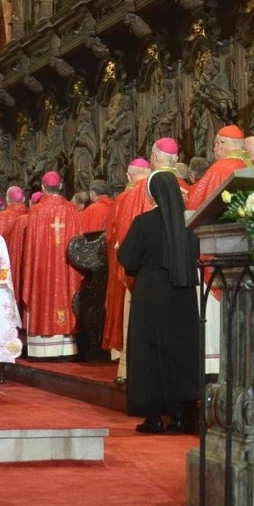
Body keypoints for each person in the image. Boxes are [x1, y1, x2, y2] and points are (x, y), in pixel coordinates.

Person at [119, 170, 201, 433]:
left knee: (149, 351)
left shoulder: (143, 222)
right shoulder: (190, 225)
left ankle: (153, 416)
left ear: (152, 193)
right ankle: (180, 416)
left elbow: (129, 259)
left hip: (151, 294)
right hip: (183, 294)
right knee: (180, 352)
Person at [19, 171, 83, 358]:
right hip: (66, 269)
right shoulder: (72, 210)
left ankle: (42, 349)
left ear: (43, 187)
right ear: (61, 186)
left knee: (43, 294)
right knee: (65, 293)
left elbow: (31, 247)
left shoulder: (37, 211)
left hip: (41, 270)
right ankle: (65, 348)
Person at [102, 158, 153, 378]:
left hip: (131, 271)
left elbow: (114, 237)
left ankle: (126, 369)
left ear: (128, 176)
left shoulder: (124, 198)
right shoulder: (164, 192)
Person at [185, 125, 253, 211]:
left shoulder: (220, 167)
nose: (214, 149)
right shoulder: (249, 165)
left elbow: (198, 203)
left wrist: (187, 200)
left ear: (219, 144)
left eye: (214, 144)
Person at [0, 186, 30, 300]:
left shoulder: (0, 217)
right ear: (24, 199)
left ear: (7, 200)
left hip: (7, 264)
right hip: (28, 265)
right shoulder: (32, 215)